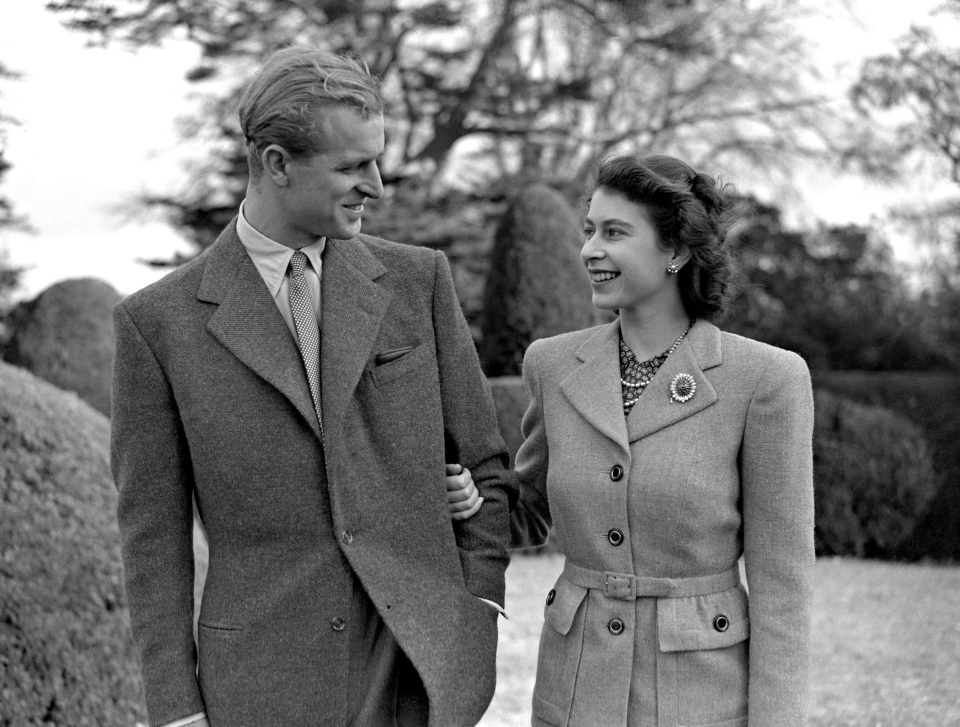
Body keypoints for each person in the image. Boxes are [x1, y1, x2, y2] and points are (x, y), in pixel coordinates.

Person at [111, 46, 514, 727]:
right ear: (275, 163)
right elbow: (153, 540)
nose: (378, 186)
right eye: (354, 166)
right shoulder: (157, 325)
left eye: (378, 160)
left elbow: (487, 468)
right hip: (258, 690)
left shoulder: (419, 283)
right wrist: (177, 711)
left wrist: (475, 610)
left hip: (417, 679)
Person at [451, 155, 815, 726]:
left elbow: (783, 585)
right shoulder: (552, 364)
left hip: (701, 698)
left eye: (615, 232)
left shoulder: (766, 380)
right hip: (574, 690)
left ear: (677, 250)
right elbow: (531, 512)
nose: (590, 249)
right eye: (589, 230)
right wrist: (475, 500)